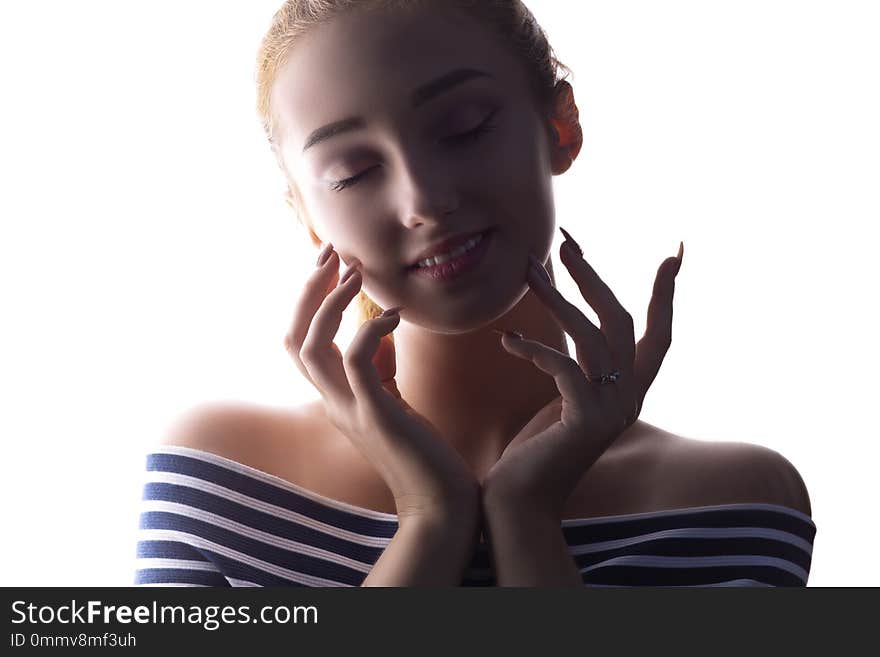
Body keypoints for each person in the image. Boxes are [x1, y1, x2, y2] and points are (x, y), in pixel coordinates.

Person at [134, 0, 815, 587]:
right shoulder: (220, 478)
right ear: (307, 217)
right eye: (352, 171)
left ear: (561, 127)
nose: (424, 199)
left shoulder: (734, 501)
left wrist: (526, 517)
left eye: (463, 128)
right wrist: (430, 518)